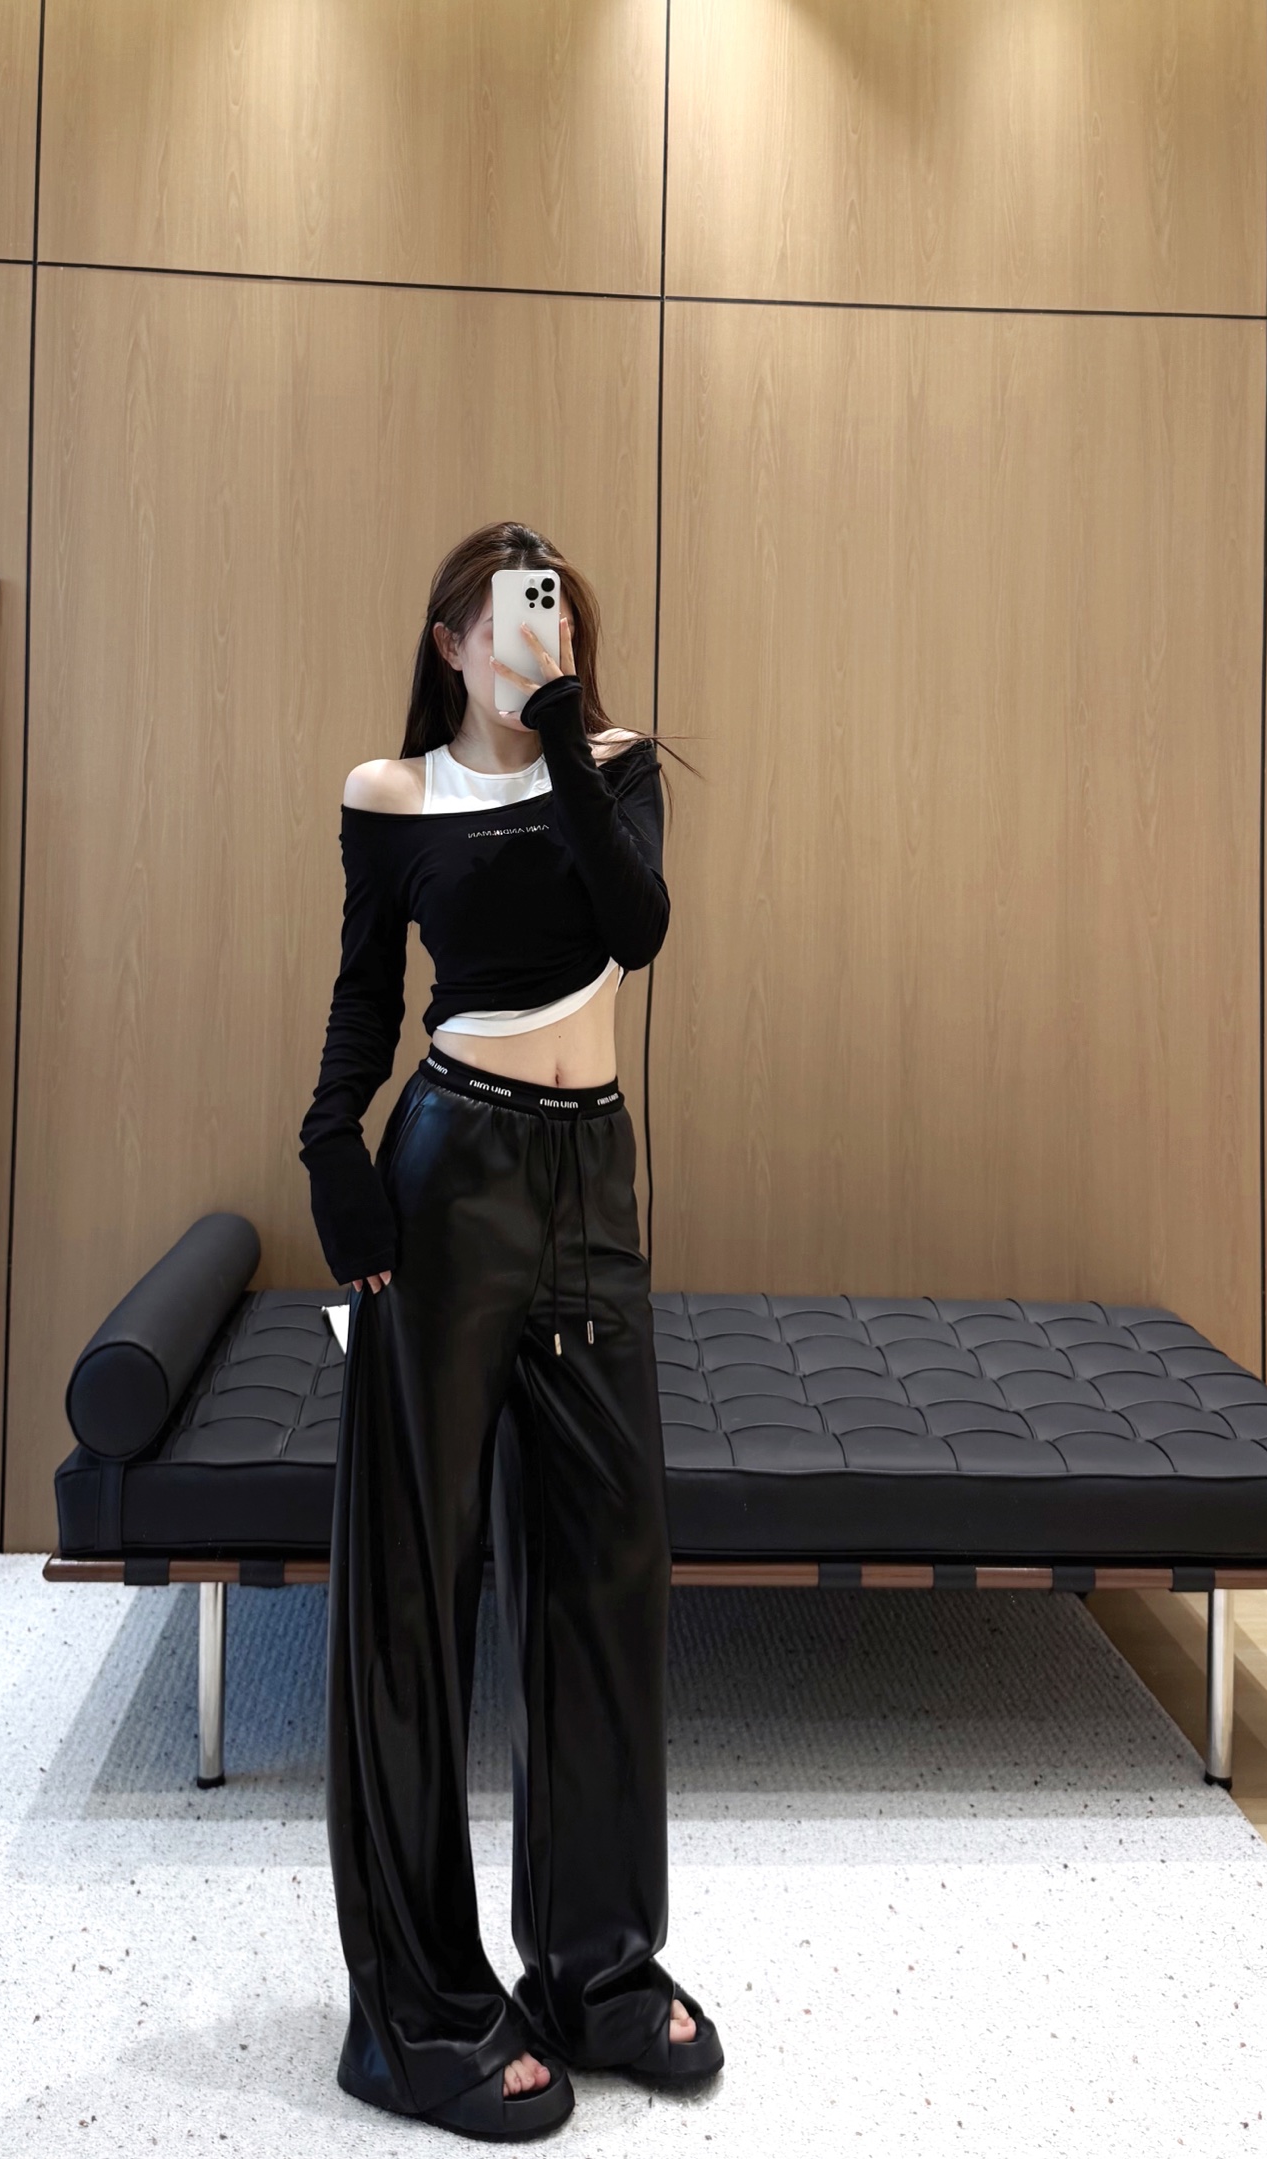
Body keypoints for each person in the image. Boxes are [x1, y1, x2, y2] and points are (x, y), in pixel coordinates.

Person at [299, 522, 722, 2142]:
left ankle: (597, 1964)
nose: (544, 631)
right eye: (512, 613)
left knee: (608, 1567)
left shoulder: (609, 763)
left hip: (592, 1179)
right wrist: (330, 1143)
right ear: (451, 637)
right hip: (452, 1175)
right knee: (418, 1577)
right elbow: (365, 990)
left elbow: (638, 928)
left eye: (561, 611)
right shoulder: (390, 792)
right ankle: (412, 2008)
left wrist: (556, 731)